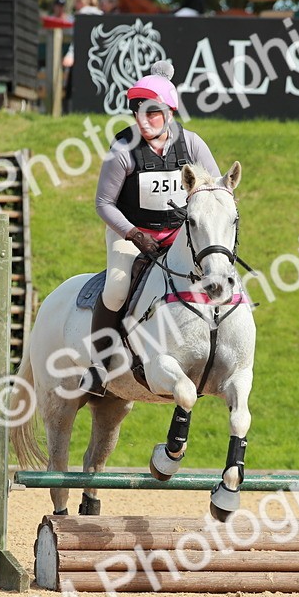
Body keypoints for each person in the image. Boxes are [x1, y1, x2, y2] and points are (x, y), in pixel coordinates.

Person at [80, 60, 222, 397]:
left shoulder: (192, 145)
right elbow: (103, 204)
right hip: (131, 232)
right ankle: (99, 368)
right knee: (116, 288)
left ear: (170, 112)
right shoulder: (123, 150)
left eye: (153, 112)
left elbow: (215, 190)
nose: (144, 120)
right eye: (137, 110)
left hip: (178, 234)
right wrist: (133, 233)